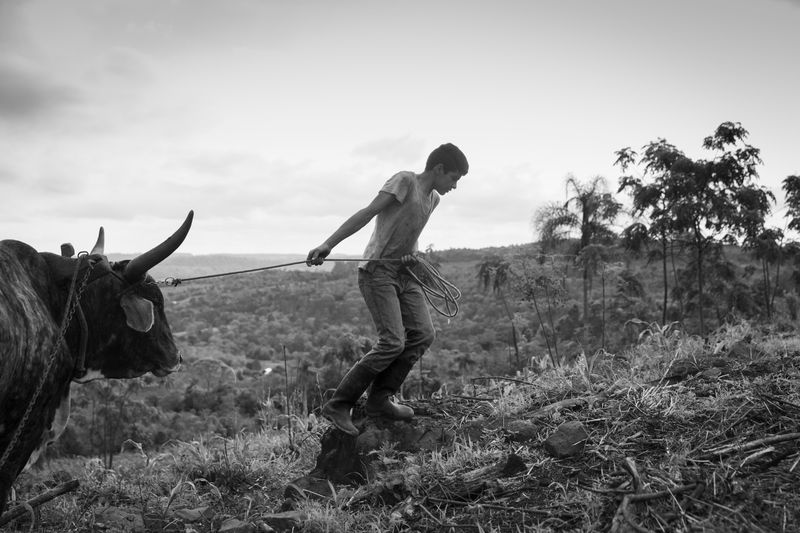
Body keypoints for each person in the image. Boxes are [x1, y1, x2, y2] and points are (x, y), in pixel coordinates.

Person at [306, 143, 469, 436]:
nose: (455, 186)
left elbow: (410, 231)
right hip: (377, 271)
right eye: (454, 178)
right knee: (393, 341)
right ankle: (339, 404)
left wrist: (412, 254)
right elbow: (368, 213)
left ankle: (380, 399)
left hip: (403, 272)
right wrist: (327, 244)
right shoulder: (404, 181)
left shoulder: (433, 199)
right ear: (439, 169)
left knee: (423, 334)